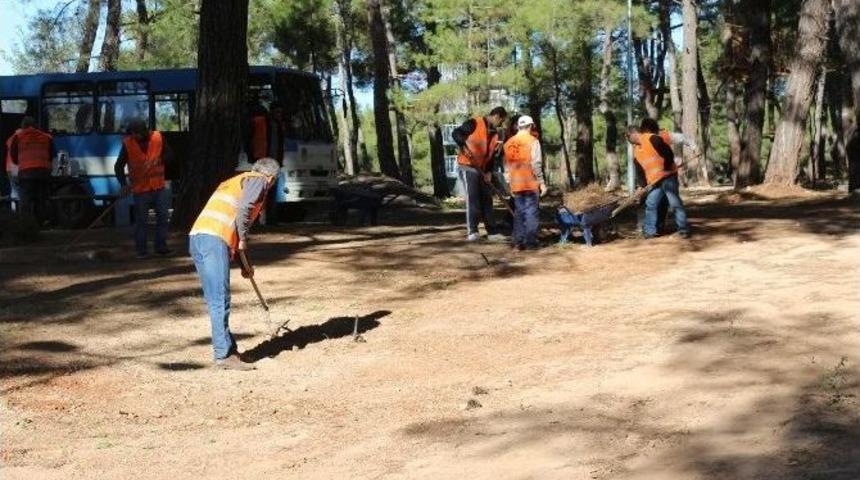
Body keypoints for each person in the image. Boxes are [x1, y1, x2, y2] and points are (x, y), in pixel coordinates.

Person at [188, 158, 280, 370]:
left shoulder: (237, 181)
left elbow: (235, 224)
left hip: (198, 237)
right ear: (272, 178)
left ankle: (228, 348)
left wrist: (244, 264)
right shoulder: (259, 180)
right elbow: (244, 211)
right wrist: (245, 238)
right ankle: (223, 356)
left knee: (215, 298)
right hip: (214, 239)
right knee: (220, 298)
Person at [115, 119, 171, 258]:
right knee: (141, 221)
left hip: (159, 187)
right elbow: (118, 166)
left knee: (163, 218)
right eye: (132, 134)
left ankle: (161, 247)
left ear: (144, 131)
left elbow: (171, 155)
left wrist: (161, 160)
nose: (134, 136)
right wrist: (123, 184)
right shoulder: (128, 143)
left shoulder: (158, 137)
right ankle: (141, 251)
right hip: (140, 190)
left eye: (137, 134)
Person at [452, 106, 508, 242]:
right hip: (467, 166)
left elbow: (492, 155)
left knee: (487, 199)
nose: (501, 124)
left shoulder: (495, 134)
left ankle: (492, 231)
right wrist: (463, 145)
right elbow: (456, 133)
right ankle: (473, 231)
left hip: (482, 170)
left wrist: (489, 172)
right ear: (496, 116)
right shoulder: (474, 123)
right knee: (473, 198)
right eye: (501, 121)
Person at [626, 125, 690, 239]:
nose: (627, 139)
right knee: (651, 203)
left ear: (634, 133)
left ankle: (683, 230)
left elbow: (668, 153)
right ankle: (649, 232)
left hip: (668, 177)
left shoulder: (651, 138)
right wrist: (642, 185)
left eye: (627, 136)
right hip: (655, 182)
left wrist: (665, 168)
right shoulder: (636, 150)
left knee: (675, 203)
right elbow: (640, 169)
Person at [503, 115, 547, 250]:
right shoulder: (533, 141)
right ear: (530, 126)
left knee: (519, 213)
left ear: (518, 126)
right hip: (530, 182)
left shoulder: (508, 143)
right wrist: (542, 183)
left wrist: (508, 183)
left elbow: (506, 166)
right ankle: (530, 243)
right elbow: (536, 164)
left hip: (516, 184)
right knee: (531, 212)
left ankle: (517, 242)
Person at [10, 117, 53, 224]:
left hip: (26, 173)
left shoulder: (18, 137)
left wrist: (22, 163)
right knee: (41, 199)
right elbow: (51, 155)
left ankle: (26, 224)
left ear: (23, 126)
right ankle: (40, 223)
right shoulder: (46, 137)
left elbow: (13, 155)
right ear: (36, 125)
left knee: (26, 200)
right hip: (43, 173)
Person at [2, 128, 21, 211]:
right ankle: (19, 210)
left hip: (9, 166)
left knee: (14, 189)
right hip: (16, 166)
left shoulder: (10, 139)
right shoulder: (20, 138)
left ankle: (14, 210)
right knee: (18, 189)